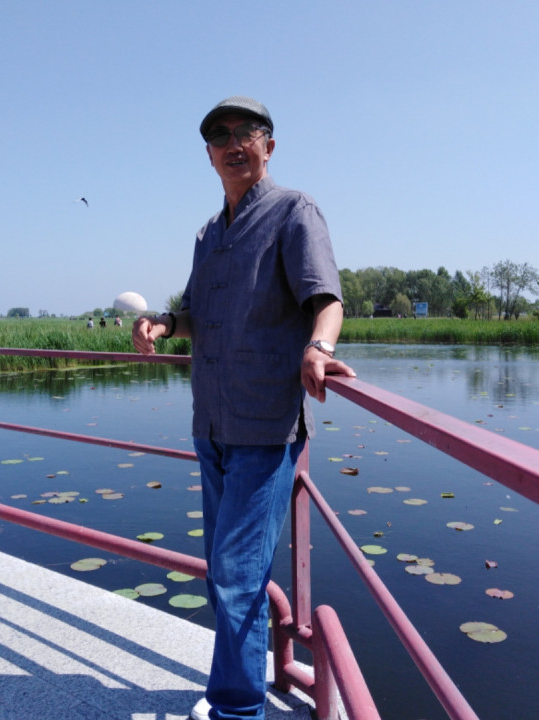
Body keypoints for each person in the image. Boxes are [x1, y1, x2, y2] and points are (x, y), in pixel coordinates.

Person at [132, 96, 355, 720]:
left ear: (268, 146)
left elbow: (327, 299)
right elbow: (196, 314)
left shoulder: (294, 211)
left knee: (236, 574)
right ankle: (235, 695)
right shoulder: (208, 234)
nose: (233, 144)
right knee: (226, 572)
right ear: (208, 155)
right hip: (211, 425)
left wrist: (319, 347)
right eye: (219, 136)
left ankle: (236, 709)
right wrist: (163, 323)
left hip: (265, 427)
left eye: (245, 133)